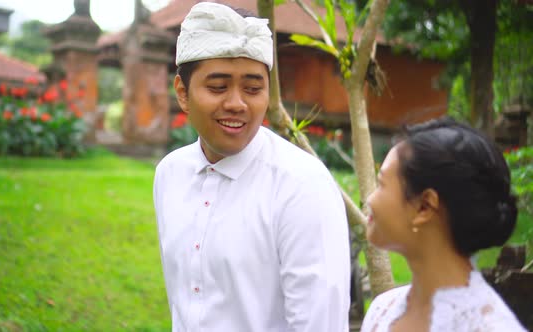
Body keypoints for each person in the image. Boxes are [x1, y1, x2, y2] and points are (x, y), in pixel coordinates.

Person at [153, 2, 350, 331]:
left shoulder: (301, 185)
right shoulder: (170, 174)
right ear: (183, 93)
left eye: (253, 88)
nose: (236, 103)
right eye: (217, 87)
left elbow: (320, 322)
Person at [361, 117, 527, 332]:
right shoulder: (383, 311)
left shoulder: (490, 327)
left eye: (381, 184)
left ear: (425, 206)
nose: (370, 200)